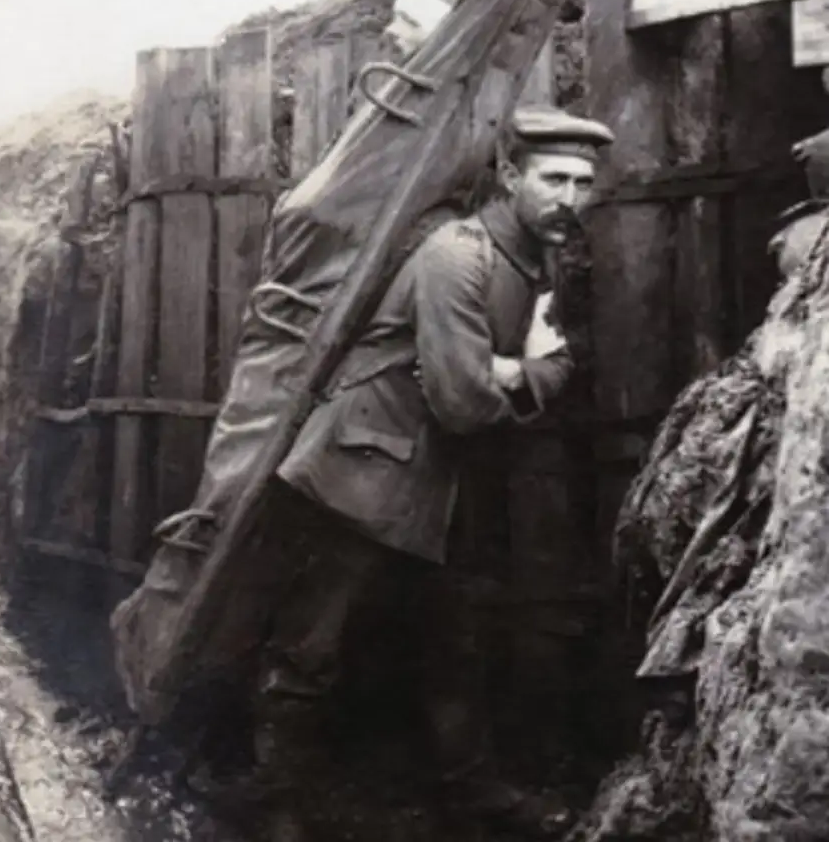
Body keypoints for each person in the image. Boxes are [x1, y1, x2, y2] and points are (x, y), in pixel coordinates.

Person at [251, 104, 614, 840]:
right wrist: (521, 372)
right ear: (509, 175)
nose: (570, 199)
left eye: (583, 183)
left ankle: (470, 791)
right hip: (362, 471)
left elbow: (557, 363)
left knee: (457, 639)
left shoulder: (538, 259)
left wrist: (517, 370)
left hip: (437, 482)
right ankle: (277, 806)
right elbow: (462, 401)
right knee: (312, 645)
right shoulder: (457, 255)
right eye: (553, 180)